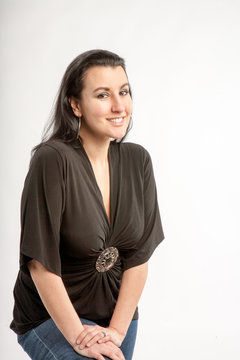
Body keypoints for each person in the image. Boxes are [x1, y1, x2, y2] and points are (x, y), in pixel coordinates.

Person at [10, 49, 165, 360]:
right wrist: (80, 337)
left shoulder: (138, 161)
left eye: (123, 91)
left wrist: (116, 331)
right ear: (75, 105)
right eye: (102, 95)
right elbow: (40, 264)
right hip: (52, 316)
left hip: (116, 317)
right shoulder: (52, 159)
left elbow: (138, 257)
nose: (119, 105)